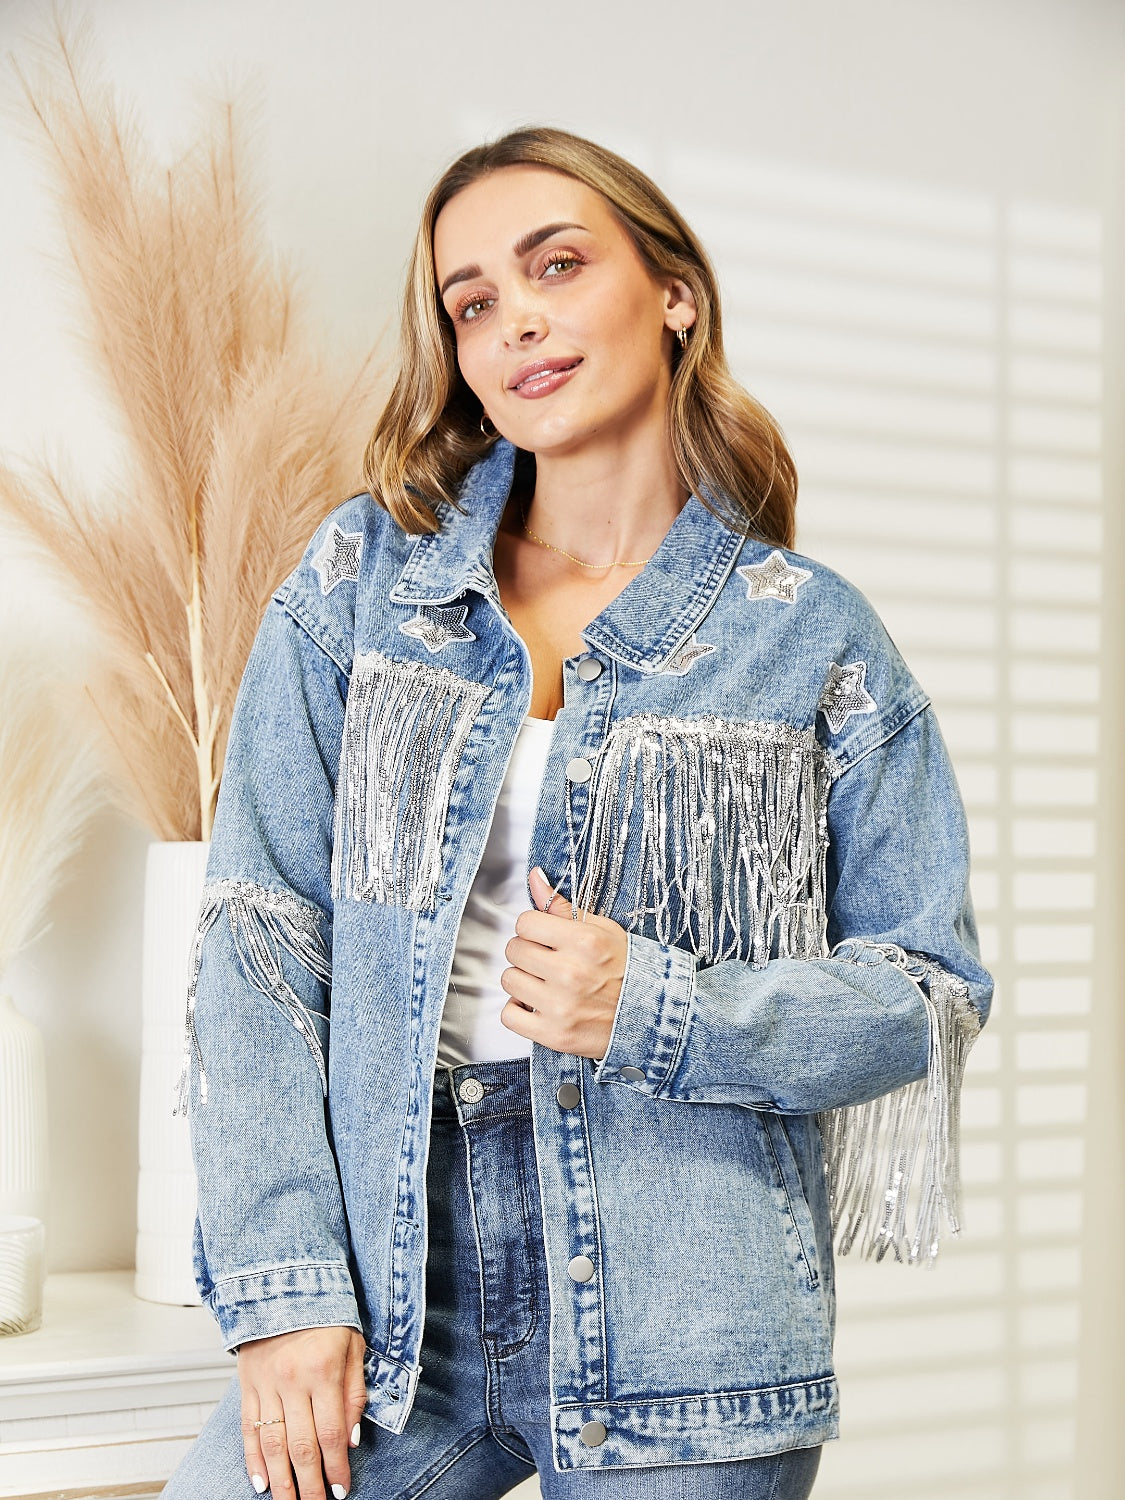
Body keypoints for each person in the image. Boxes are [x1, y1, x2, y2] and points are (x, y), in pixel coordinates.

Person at [163, 127, 992, 1500]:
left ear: (675, 294)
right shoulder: (365, 584)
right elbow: (262, 934)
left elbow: (928, 988)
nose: (515, 321)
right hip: (399, 1293)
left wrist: (661, 1007)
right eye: (472, 301)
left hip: (693, 1310)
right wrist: (285, 1288)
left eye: (556, 266)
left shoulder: (809, 636)